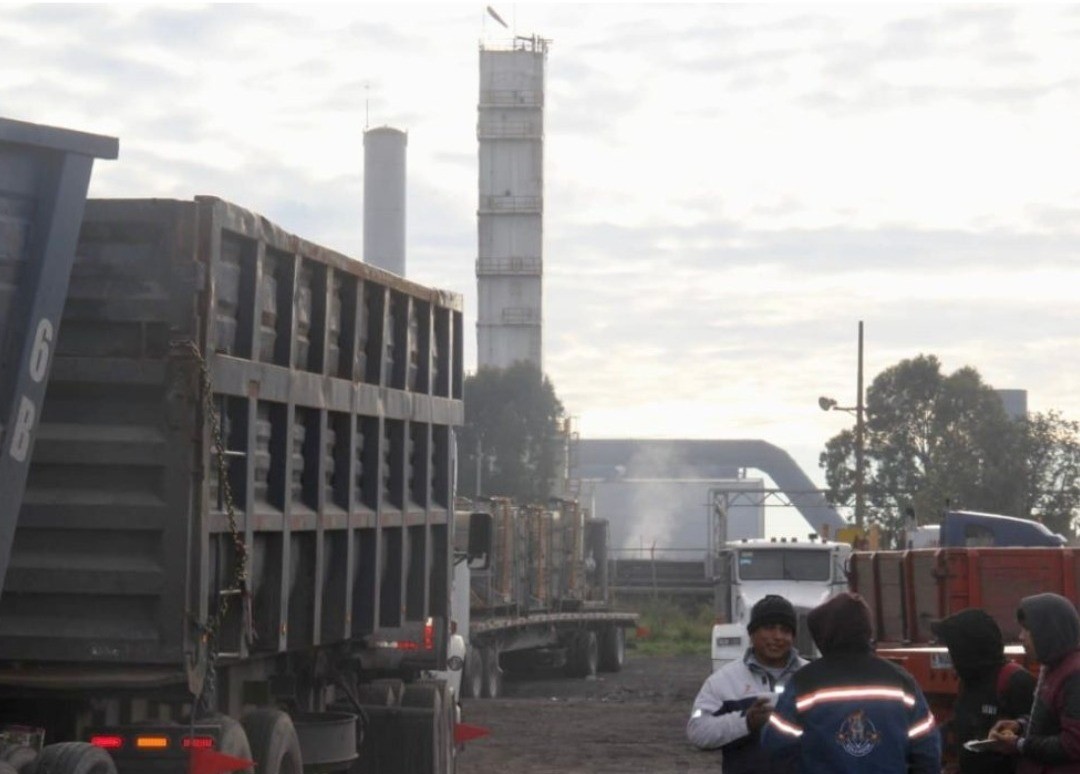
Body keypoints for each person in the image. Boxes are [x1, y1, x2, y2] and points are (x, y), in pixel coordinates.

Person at [760, 591, 941, 774]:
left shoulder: (804, 683)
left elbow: (776, 749)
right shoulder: (901, 682)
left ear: (824, 634)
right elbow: (928, 753)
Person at [687, 594, 807, 773]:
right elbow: (697, 731)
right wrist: (746, 722)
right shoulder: (724, 681)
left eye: (785, 630)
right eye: (769, 627)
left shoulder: (811, 677)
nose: (777, 636)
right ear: (751, 633)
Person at [932, 607, 1036, 773]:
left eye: (953, 649)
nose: (951, 657)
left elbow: (1035, 741)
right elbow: (964, 724)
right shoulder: (969, 681)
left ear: (967, 649)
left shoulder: (1016, 682)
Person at [988, 592, 1080, 772]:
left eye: (1027, 629)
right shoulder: (1054, 666)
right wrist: (1020, 725)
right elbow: (1052, 721)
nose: (1021, 637)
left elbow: (1073, 744)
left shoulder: (1074, 675)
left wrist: (1019, 744)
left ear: (1048, 631)